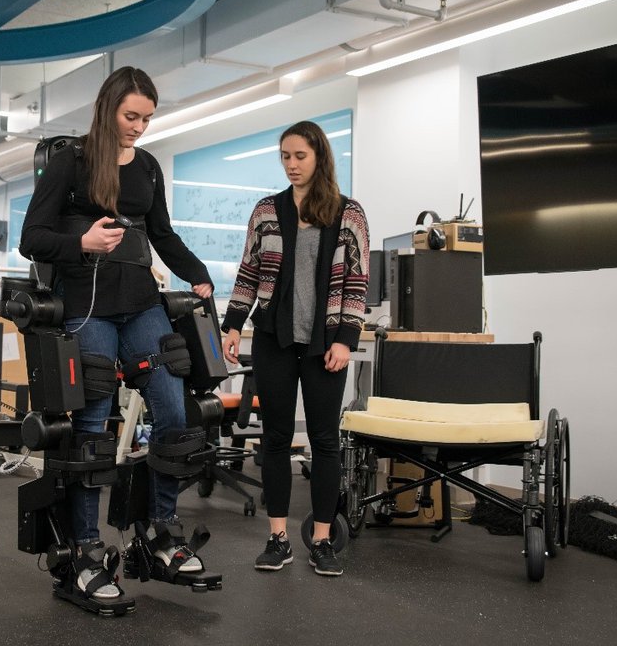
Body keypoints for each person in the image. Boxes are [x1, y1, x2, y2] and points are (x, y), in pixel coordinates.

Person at [19, 66, 214, 602]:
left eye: (148, 118)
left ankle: (160, 533)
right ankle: (84, 551)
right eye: (132, 116)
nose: (139, 127)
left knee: (174, 411)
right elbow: (30, 238)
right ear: (108, 109)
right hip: (87, 309)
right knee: (94, 423)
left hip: (141, 305)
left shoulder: (148, 167)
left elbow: (162, 234)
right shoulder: (71, 162)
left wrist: (198, 274)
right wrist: (82, 241)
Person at [220, 120, 369, 577]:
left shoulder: (348, 213)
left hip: (326, 344)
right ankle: (278, 538)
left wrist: (346, 339)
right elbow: (248, 273)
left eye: (300, 156)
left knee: (324, 441)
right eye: (285, 156)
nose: (291, 165)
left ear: (319, 156)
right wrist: (232, 326)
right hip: (274, 340)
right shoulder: (267, 211)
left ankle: (322, 541)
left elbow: (358, 283)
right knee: (276, 439)